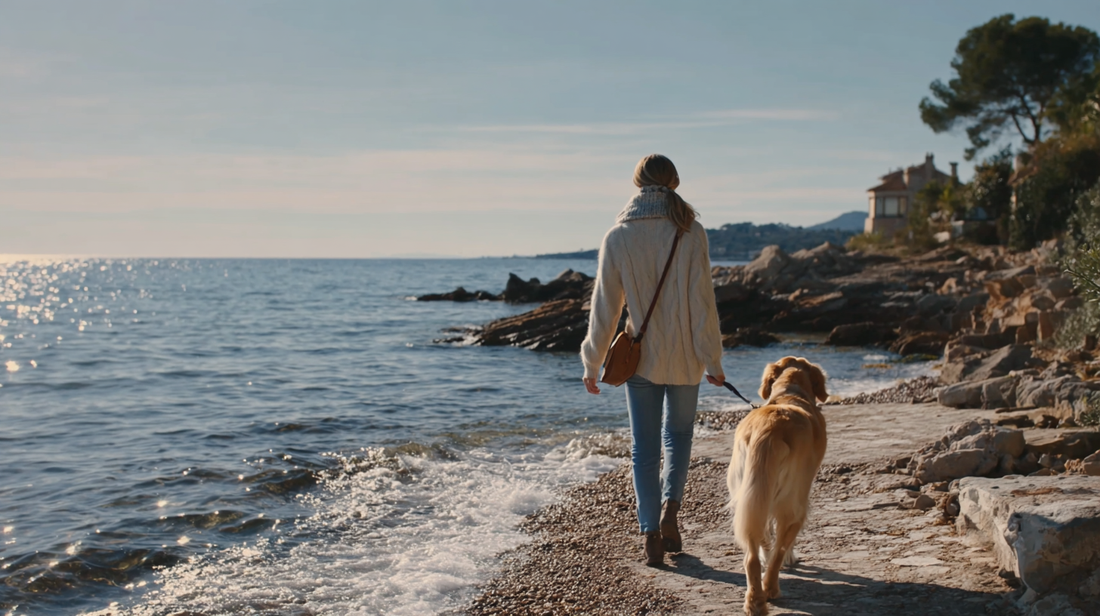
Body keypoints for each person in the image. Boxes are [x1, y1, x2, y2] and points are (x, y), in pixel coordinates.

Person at [580, 153, 726, 566]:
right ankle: (670, 511)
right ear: (674, 182)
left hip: (640, 359)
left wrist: (592, 362)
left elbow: (605, 308)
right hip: (685, 359)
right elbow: (703, 305)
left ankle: (649, 535)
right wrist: (712, 360)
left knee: (643, 449)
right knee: (678, 438)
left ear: (637, 183)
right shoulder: (690, 230)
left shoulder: (618, 236)